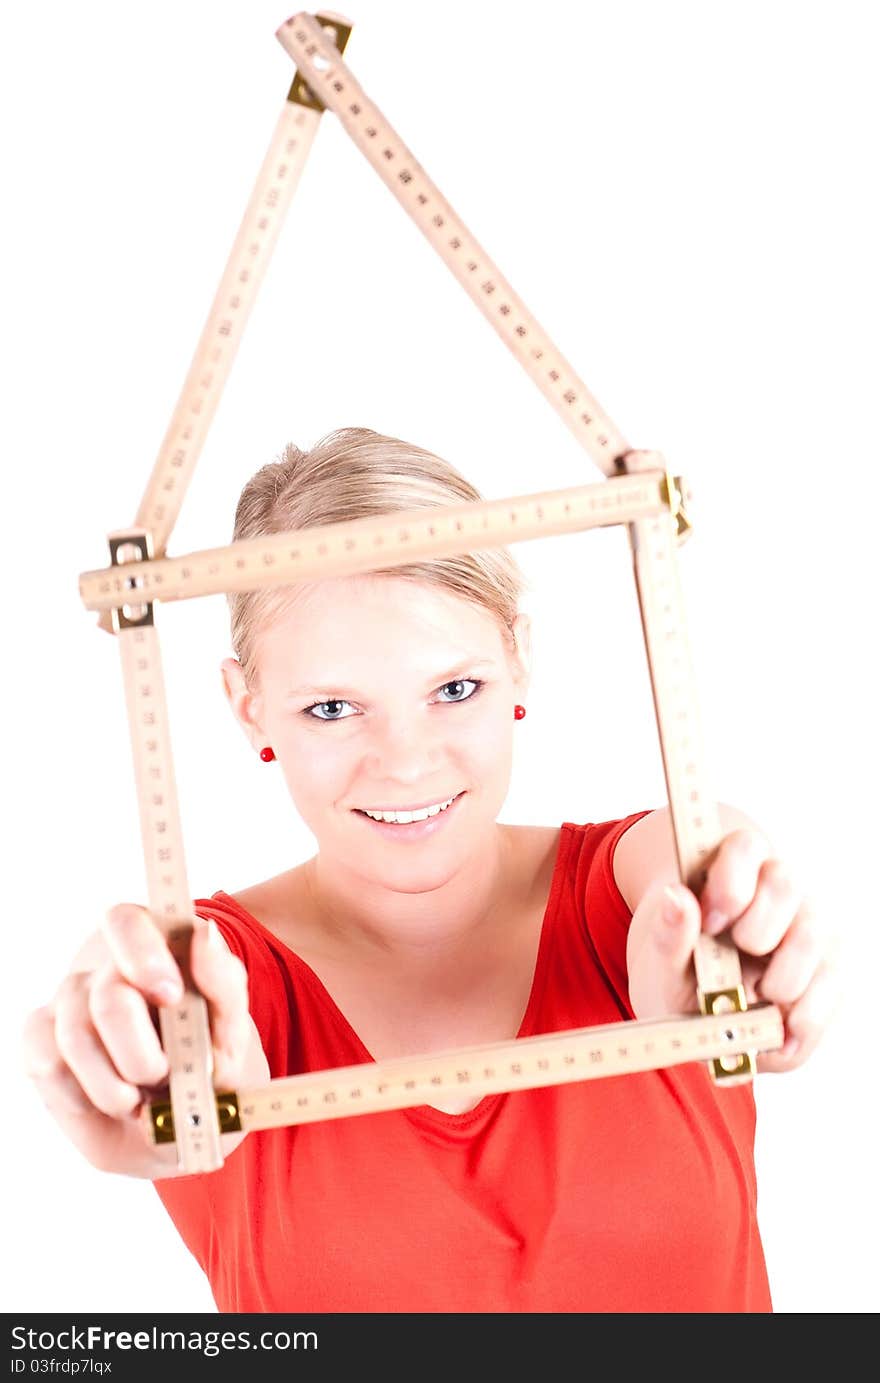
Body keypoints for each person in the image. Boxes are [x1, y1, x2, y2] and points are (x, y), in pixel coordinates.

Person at [22, 426, 836, 1313]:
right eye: (332, 708)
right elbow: (163, 981)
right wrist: (124, 1029)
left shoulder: (635, 891)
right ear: (248, 708)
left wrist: (739, 918)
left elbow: (697, 852)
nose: (406, 764)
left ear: (517, 656)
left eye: (455, 689)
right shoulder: (224, 992)